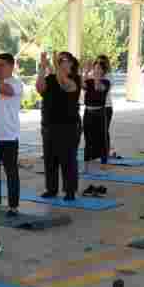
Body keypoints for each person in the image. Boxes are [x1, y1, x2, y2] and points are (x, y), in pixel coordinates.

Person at [36, 51, 82, 201]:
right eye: (59, 60)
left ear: (71, 63)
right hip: (49, 125)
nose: (60, 62)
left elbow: (64, 83)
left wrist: (55, 66)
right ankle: (51, 188)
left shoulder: (75, 79)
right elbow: (40, 88)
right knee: (50, 159)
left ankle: (70, 190)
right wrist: (43, 67)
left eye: (63, 60)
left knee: (68, 159)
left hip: (68, 126)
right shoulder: (50, 78)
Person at [0, 52, 23, 219]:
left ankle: (13, 205)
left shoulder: (16, 83)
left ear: (11, 66)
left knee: (11, 173)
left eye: (1, 65)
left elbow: (6, 90)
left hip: (9, 136)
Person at [81, 56, 112, 181]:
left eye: (99, 69)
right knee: (88, 138)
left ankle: (104, 163)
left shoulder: (106, 82)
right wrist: (86, 71)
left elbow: (98, 87)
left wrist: (96, 75)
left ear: (103, 71)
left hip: (100, 113)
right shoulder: (88, 81)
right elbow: (82, 85)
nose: (96, 70)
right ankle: (86, 165)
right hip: (88, 112)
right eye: (95, 68)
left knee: (102, 137)